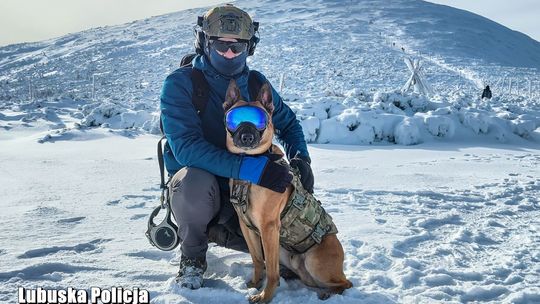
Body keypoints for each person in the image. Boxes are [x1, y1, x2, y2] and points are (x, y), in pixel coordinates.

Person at [160, 4, 314, 289]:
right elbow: (186, 148)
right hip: (206, 189)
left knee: (285, 250)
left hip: (250, 191)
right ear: (204, 43)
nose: (229, 53)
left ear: (249, 47)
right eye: (221, 46)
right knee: (193, 182)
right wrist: (253, 168)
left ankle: (278, 255)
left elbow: (289, 125)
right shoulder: (180, 84)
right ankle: (193, 257)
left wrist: (301, 160)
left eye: (237, 46)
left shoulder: (257, 84)